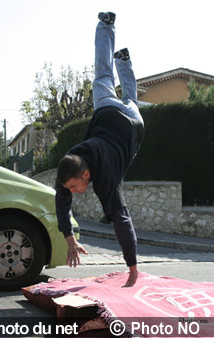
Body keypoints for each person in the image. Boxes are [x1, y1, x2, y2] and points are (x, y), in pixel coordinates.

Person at [54, 12, 144, 287]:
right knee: (102, 74)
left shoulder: (106, 182)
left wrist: (132, 268)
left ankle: (124, 61)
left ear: (85, 176)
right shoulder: (72, 160)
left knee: (130, 98)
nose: (73, 193)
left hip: (133, 125)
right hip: (109, 111)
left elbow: (123, 223)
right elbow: (61, 200)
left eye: (74, 187)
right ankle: (107, 27)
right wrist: (69, 238)